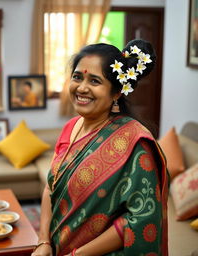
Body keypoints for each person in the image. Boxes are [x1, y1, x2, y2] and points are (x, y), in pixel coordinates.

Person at [32, 39, 169, 256]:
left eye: (94, 81)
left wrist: (78, 255)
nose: (82, 88)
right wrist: (43, 242)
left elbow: (137, 218)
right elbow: (52, 186)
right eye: (77, 77)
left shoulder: (134, 142)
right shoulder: (70, 127)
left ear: (116, 93)